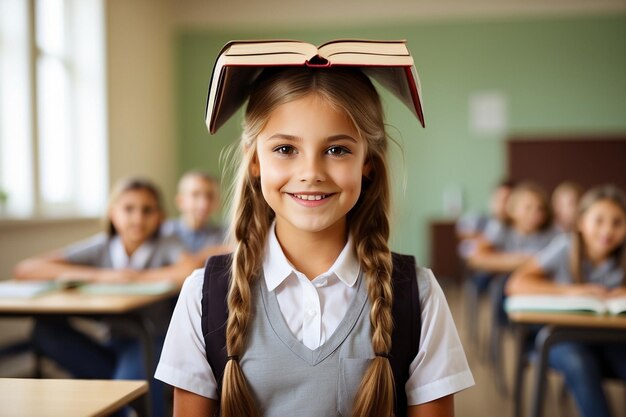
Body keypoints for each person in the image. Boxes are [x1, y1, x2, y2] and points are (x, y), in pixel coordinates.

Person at [155, 56, 474, 416]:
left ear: (367, 161)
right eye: (285, 149)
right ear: (255, 160)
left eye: (337, 150)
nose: (311, 173)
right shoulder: (202, 295)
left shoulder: (419, 293)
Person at [14, 177, 197, 417]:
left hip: (151, 340)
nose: (138, 218)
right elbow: (27, 269)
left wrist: (132, 277)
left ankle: (124, 395)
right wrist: (101, 276)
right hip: (112, 343)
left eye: (147, 210)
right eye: (128, 209)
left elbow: (188, 270)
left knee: (125, 395)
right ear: (113, 213)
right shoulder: (103, 246)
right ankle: (120, 388)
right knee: (46, 331)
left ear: (160, 216)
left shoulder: (166, 244)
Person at [507, 184, 626, 417]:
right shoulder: (565, 247)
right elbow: (516, 283)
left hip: (613, 340)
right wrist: (572, 292)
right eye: (599, 220)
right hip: (562, 338)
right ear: (581, 222)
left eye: (617, 222)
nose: (607, 231)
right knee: (579, 363)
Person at [161, 170, 228, 254]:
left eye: (210, 196)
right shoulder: (164, 233)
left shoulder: (225, 236)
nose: (204, 203)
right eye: (195, 194)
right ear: (180, 201)